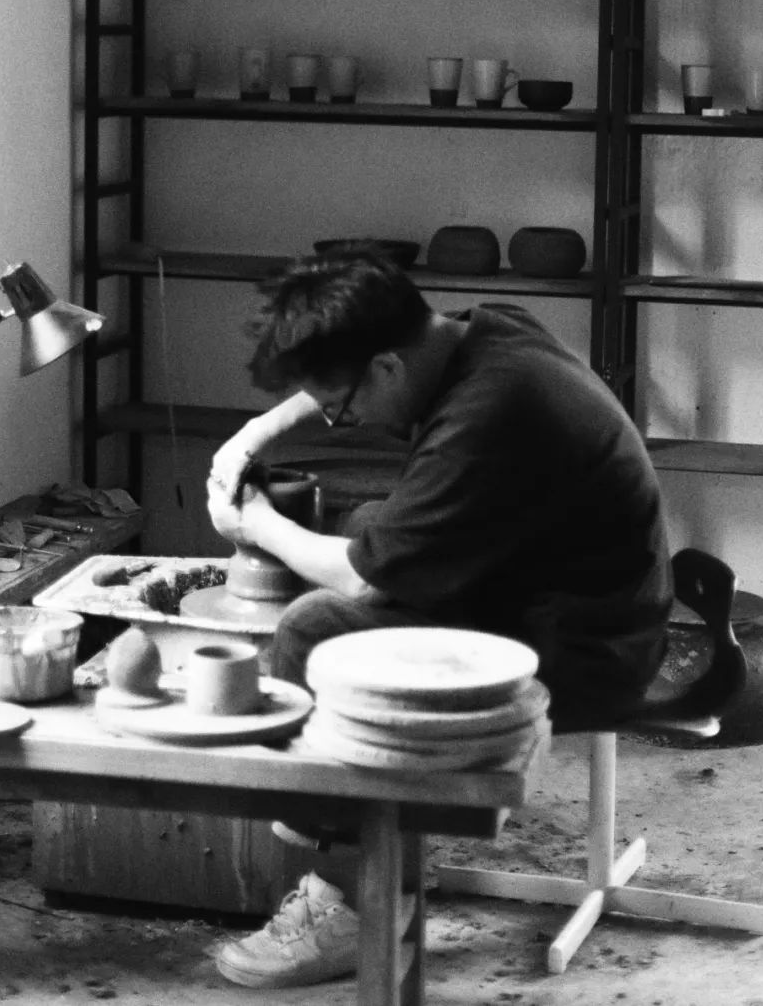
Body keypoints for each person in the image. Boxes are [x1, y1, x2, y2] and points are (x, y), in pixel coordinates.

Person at [207, 248, 672, 990]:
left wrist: (256, 523)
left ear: (388, 367)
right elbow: (355, 403)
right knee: (369, 520)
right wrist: (255, 433)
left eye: (342, 407)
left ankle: (348, 903)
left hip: (587, 646)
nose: (343, 422)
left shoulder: (490, 414)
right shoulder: (486, 333)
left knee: (315, 630)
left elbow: (361, 578)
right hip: (569, 591)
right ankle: (370, 848)